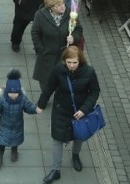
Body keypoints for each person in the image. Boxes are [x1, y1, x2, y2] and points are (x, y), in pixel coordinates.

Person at [36, 46, 101, 181]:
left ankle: (75, 155)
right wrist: (40, 105)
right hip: (61, 110)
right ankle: (56, 169)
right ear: (64, 61)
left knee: (78, 136)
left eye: (74, 62)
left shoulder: (89, 72)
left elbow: (95, 92)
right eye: (69, 62)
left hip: (79, 111)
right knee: (57, 139)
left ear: (80, 61)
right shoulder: (59, 70)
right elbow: (49, 87)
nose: (71, 65)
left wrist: (84, 110)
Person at [31, 0, 84, 92]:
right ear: (51, 7)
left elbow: (78, 29)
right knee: (45, 83)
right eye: (58, 5)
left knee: (62, 82)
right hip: (46, 54)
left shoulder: (70, 14)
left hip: (64, 55)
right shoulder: (40, 15)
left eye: (63, 3)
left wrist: (73, 37)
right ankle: (45, 98)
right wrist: (40, 49)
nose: (62, 6)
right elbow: (35, 33)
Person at [0, 69, 39, 170]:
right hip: (4, 126)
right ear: (7, 91)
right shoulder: (1, 100)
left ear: (19, 91)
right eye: (11, 92)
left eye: (16, 92)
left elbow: (28, 107)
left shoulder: (23, 100)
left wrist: (35, 109)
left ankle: (14, 151)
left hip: (17, 126)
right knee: (2, 143)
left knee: (16, 140)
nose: (13, 95)